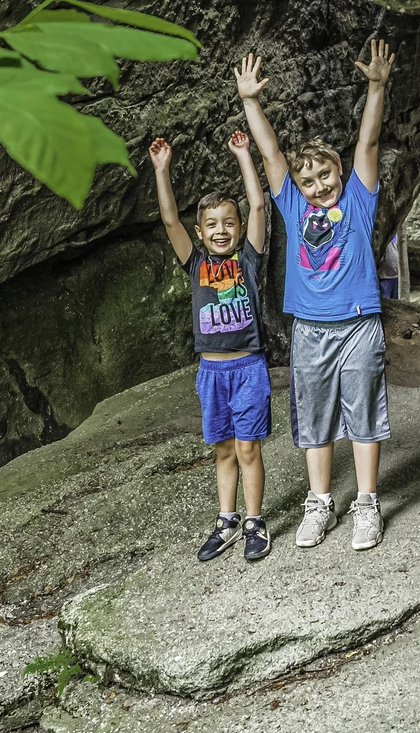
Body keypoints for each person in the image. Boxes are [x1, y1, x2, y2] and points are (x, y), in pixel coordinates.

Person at [234, 39, 395, 551]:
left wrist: (376, 86)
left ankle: (367, 504)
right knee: (315, 416)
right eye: (309, 181)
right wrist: (250, 101)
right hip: (310, 329)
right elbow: (271, 153)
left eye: (325, 174)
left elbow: (367, 145)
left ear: (339, 174)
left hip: (358, 324)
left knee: (364, 412)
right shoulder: (291, 205)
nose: (318, 184)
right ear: (298, 188)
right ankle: (320, 503)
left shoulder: (359, 200)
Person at [149, 131, 272, 561]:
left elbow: (258, 204)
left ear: (238, 229)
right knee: (223, 449)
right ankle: (227, 522)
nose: (222, 231)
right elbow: (169, 220)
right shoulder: (196, 262)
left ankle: (255, 521)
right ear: (201, 233)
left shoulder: (249, 260)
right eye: (212, 225)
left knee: (247, 448)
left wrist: (243, 155)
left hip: (248, 368)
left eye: (229, 223)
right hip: (212, 373)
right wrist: (162, 170)